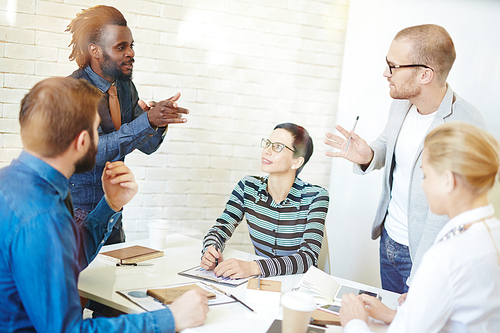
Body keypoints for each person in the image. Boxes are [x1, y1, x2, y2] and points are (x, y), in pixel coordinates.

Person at [0, 77, 208, 333]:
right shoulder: (43, 216)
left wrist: (110, 204)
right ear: (81, 142)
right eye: (98, 131)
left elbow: (66, 258)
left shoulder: (11, 183)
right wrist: (171, 319)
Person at [324, 24, 486, 293]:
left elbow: (461, 208)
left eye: (393, 66)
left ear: (425, 74)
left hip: (425, 253)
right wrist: (370, 155)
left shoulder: (466, 125)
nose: (386, 73)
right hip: (389, 240)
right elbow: (388, 142)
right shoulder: (402, 102)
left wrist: (424, 272)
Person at [339, 122, 500, 332]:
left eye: (425, 175)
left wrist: (354, 322)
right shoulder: (490, 233)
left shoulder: (445, 258)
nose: (422, 185)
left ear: (448, 181)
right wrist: (393, 315)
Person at [66, 5, 189, 245]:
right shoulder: (73, 90)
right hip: (79, 215)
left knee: (114, 281)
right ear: (95, 50)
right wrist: (146, 121)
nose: (130, 53)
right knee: (78, 281)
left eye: (131, 45)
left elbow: (147, 146)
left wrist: (158, 122)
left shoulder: (124, 87)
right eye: (120, 47)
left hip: (113, 211)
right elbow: (92, 151)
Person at [201, 123, 329, 278]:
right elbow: (220, 229)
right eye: (268, 144)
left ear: (297, 162)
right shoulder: (247, 187)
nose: (266, 151)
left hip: (298, 288)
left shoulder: (316, 197)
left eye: (278, 147)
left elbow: (308, 259)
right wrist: (210, 250)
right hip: (261, 284)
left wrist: (253, 267)